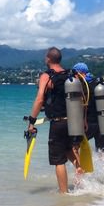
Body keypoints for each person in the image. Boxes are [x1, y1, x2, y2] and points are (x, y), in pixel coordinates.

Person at [26, 47, 81, 193]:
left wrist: (32, 121)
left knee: (58, 161)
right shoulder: (71, 76)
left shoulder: (47, 76)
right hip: (74, 121)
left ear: (48, 59)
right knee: (69, 150)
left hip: (58, 123)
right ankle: (79, 168)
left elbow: (39, 99)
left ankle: (63, 194)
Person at [71, 62, 104, 154]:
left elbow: (82, 106)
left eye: (75, 74)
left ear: (79, 73)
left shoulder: (81, 85)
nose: (74, 77)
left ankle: (78, 168)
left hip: (88, 124)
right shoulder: (99, 85)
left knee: (74, 148)